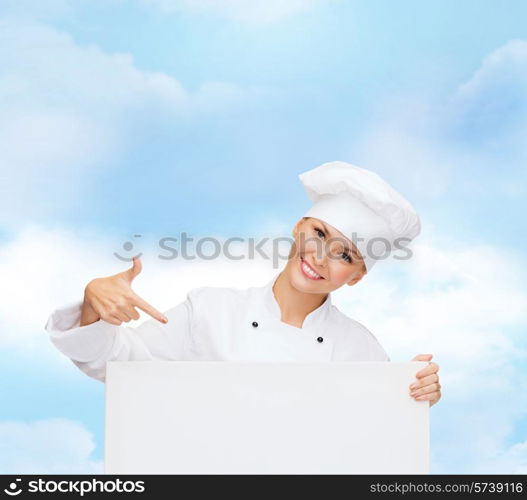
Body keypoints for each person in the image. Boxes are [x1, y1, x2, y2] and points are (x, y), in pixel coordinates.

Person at [44, 161, 441, 407]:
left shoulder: (361, 349)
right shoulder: (210, 311)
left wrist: (414, 394)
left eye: (344, 254)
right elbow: (119, 366)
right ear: (298, 227)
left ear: (357, 276)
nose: (319, 257)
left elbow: (375, 440)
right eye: (318, 233)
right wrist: (92, 306)